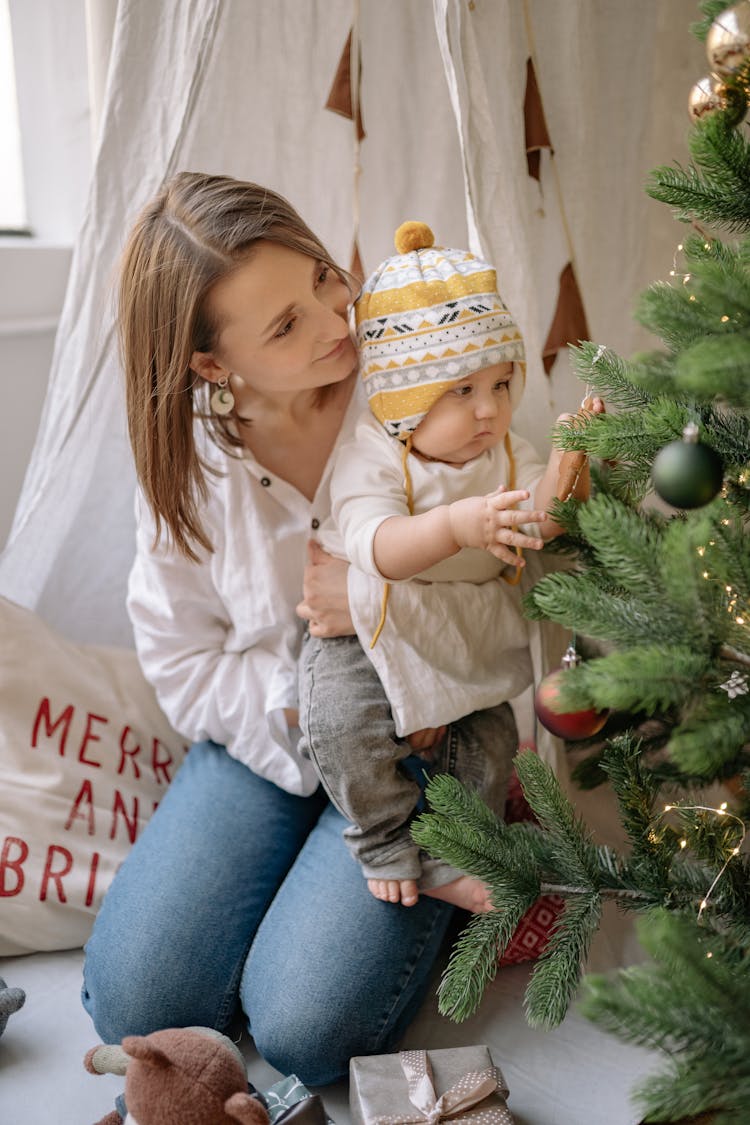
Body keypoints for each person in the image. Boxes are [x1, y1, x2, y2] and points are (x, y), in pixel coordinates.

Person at [81, 173, 541, 1093]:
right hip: (266, 742)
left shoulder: (418, 388)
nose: (337, 322)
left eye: (327, 280)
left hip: (417, 740)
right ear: (215, 365)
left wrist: (382, 613)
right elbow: (182, 658)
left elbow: (507, 562)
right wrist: (305, 707)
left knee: (306, 1026)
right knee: (142, 1003)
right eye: (285, 326)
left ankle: (471, 835)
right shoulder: (195, 466)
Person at [298, 221, 599, 911]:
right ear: (404, 397)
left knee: (494, 740)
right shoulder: (375, 455)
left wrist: (566, 460)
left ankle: (451, 853)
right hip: (361, 635)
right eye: (460, 390)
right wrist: (459, 522)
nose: (489, 408)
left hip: (456, 638)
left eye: (500, 381)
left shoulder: (505, 455)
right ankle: (383, 837)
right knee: (344, 723)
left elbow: (544, 518)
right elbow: (377, 549)